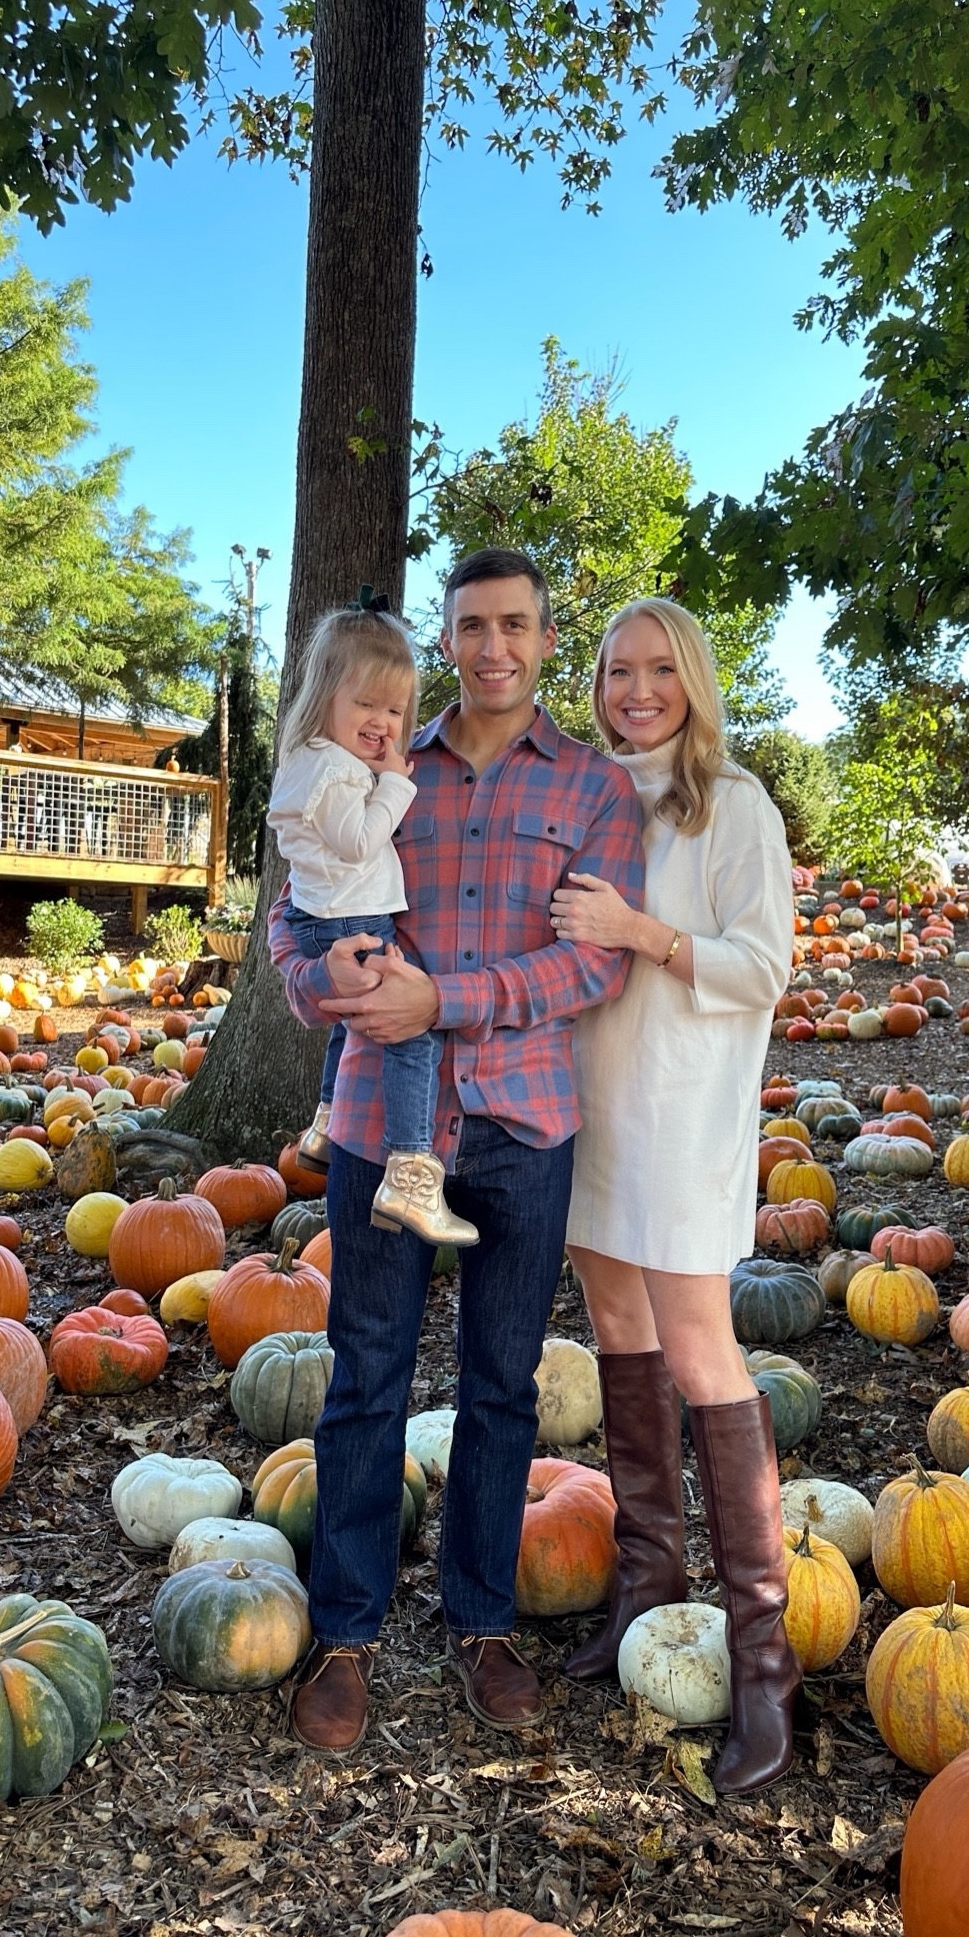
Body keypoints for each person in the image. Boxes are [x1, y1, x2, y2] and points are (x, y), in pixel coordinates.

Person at [267, 547, 646, 1754]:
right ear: (448, 638)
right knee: (365, 1374)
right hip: (383, 1120)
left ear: (546, 639)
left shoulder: (594, 788)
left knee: (501, 1383)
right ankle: (346, 1630)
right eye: (473, 626)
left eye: (515, 626)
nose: (494, 648)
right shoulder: (378, 756)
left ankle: (482, 1619)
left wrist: (449, 1000)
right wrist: (316, 981)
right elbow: (295, 910)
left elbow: (595, 961)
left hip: (525, 1121)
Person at [550, 597, 799, 1796]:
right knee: (618, 1331)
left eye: (659, 668)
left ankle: (764, 1666)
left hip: (684, 1106)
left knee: (703, 1352)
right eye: (617, 669)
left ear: (693, 680)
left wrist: (640, 929)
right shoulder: (588, 794)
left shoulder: (732, 803)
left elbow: (764, 962)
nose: (637, 689)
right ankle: (648, 1588)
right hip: (587, 1097)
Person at [267, 598, 473, 1248]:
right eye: (366, 704)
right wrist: (395, 784)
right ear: (325, 695)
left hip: (327, 914)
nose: (383, 723)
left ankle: (326, 1125)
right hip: (350, 921)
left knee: (348, 1027)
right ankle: (410, 1173)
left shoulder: (312, 760)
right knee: (412, 1036)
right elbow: (359, 841)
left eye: (395, 710)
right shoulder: (333, 771)